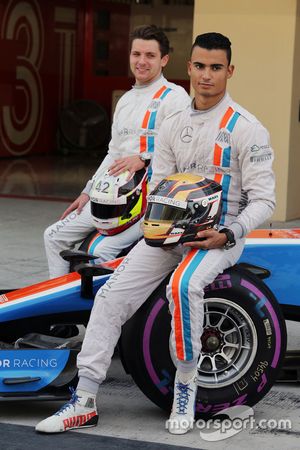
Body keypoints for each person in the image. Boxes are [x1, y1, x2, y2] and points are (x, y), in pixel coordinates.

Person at [36, 32, 275, 435]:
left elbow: (264, 201)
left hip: (217, 237)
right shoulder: (173, 124)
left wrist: (228, 233)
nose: (207, 75)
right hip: (169, 234)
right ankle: (85, 399)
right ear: (189, 68)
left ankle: (186, 387)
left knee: (183, 287)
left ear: (229, 71)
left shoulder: (247, 128)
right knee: (110, 294)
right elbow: (162, 185)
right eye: (200, 66)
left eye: (216, 67)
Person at [44, 25, 190, 278]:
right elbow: (113, 153)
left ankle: (102, 312)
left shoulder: (175, 97)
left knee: (101, 251)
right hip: (110, 199)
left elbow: (183, 153)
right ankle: (64, 313)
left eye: (150, 55)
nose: (141, 61)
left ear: (164, 59)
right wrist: (88, 191)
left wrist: (144, 158)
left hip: (148, 204)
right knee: (53, 236)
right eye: (136, 54)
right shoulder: (125, 100)